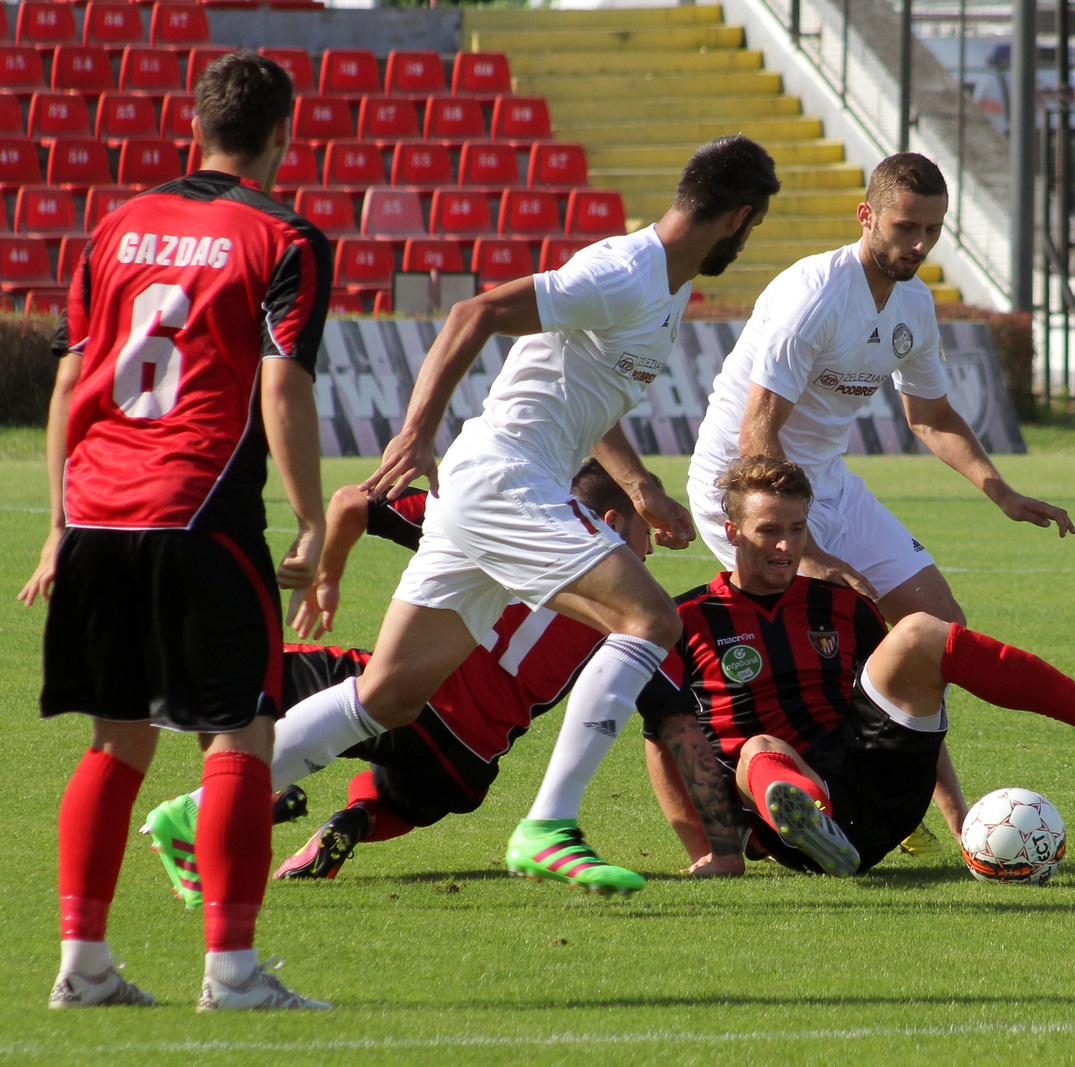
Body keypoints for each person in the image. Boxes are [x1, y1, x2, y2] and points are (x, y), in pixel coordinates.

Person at [247, 135, 781, 898]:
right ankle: (549, 825)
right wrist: (415, 429)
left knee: (391, 693)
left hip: (493, 484)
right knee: (650, 619)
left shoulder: (666, 287)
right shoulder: (624, 270)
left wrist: (637, 488)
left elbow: (585, 396)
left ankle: (203, 810)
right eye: (753, 226)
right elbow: (477, 311)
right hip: (507, 477)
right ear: (738, 216)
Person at [17, 52, 333, 1010]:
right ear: (284, 133)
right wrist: (315, 517)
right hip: (200, 509)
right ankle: (232, 974)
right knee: (240, 734)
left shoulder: (116, 225)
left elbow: (74, 380)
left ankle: (84, 966)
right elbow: (280, 382)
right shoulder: (285, 236)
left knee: (116, 740)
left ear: (192, 126)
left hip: (101, 508)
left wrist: (60, 526)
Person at [686, 152, 1074, 842]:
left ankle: (930, 812)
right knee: (831, 637)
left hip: (829, 482)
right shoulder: (813, 292)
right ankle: (885, 807)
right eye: (906, 226)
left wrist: (1001, 492)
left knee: (940, 629)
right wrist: (805, 551)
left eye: (933, 228)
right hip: (746, 489)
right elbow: (757, 430)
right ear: (867, 216)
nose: (920, 244)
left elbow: (930, 416)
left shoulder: (914, 305)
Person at [641, 456, 1075, 877]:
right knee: (761, 750)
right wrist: (713, 851)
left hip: (879, 782)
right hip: (786, 816)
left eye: (797, 528)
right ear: (732, 530)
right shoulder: (686, 619)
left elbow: (904, 710)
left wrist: (957, 820)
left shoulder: (838, 605)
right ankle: (812, 816)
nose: (786, 545)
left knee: (920, 632)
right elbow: (663, 736)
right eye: (769, 530)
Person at [142, 460, 667, 898]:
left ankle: (219, 808)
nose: (651, 550)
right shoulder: (636, 610)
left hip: (408, 692)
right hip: (462, 768)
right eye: (647, 532)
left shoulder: (499, 517)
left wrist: (330, 576)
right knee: (398, 797)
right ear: (613, 522)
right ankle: (356, 817)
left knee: (251, 679)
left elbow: (350, 502)